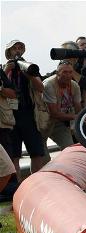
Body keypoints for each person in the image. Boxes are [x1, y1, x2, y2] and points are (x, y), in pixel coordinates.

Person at [3, 39, 47, 179]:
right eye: (14, 48)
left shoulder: (29, 67)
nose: (17, 51)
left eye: (19, 48)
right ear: (9, 52)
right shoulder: (3, 68)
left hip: (29, 114)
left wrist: (30, 75)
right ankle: (17, 187)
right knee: (14, 155)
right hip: (9, 116)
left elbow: (40, 88)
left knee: (36, 152)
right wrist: (6, 70)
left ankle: (37, 183)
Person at [42, 60, 82, 159]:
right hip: (43, 123)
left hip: (60, 122)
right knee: (43, 157)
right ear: (57, 73)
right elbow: (54, 113)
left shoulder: (74, 85)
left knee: (69, 149)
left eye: (70, 72)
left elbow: (78, 107)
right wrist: (75, 117)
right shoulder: (49, 85)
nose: (68, 75)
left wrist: (83, 117)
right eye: (64, 72)